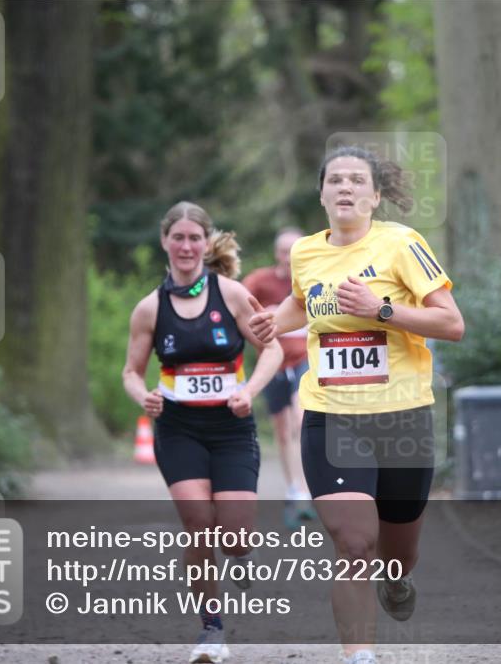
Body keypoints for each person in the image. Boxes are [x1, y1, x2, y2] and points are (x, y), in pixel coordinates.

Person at [249, 147, 465, 664]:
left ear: (376, 196)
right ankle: (359, 656)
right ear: (321, 195)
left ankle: (400, 578)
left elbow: (451, 324)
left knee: (396, 554)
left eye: (356, 180)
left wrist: (381, 309)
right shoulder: (305, 252)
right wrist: (273, 323)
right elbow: (303, 302)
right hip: (332, 416)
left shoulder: (402, 245)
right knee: (353, 543)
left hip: (403, 417)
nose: (345, 187)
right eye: (335, 180)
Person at [123, 201, 283, 664]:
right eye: (179, 238)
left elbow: (270, 350)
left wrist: (249, 390)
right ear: (165, 243)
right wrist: (144, 397)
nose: (187, 246)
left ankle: (238, 552)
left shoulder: (231, 295)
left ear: (205, 243)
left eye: (195, 238)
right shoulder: (149, 309)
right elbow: (131, 372)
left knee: (234, 536)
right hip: (178, 428)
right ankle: (211, 629)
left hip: (231, 428)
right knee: (198, 524)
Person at [242, 228, 315, 529]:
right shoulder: (260, 281)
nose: (288, 257)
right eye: (284, 251)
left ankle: (309, 491)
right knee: (283, 432)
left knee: (301, 420)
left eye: (294, 251)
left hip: (305, 359)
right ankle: (295, 488)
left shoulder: (314, 278)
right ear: (277, 254)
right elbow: (240, 311)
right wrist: (263, 321)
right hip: (272, 362)